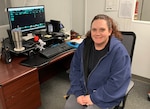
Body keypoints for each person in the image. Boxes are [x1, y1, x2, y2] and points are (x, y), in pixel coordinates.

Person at [64, 14, 131, 109]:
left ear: (110, 31)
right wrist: (78, 92)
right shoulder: (85, 46)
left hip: (105, 95)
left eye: (102, 29)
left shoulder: (119, 52)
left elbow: (117, 82)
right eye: (94, 29)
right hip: (83, 90)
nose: (97, 33)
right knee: (69, 106)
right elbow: (75, 70)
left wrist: (94, 97)